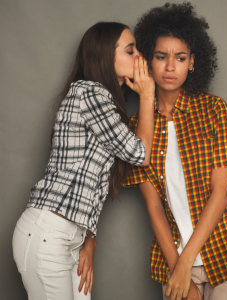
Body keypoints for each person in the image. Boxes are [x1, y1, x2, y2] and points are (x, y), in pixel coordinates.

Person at [123, 3, 227, 300]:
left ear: (193, 62)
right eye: (161, 57)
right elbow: (154, 207)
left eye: (180, 57)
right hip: (172, 257)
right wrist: (179, 270)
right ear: (148, 61)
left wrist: (187, 263)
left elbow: (221, 193)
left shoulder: (214, 110)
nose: (170, 67)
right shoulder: (137, 128)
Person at [12, 22, 155, 300]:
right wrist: (148, 96)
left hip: (67, 238)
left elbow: (91, 183)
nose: (140, 57)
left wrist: (89, 239)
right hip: (47, 235)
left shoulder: (101, 101)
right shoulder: (89, 93)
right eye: (130, 50)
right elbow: (140, 154)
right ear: (104, 55)